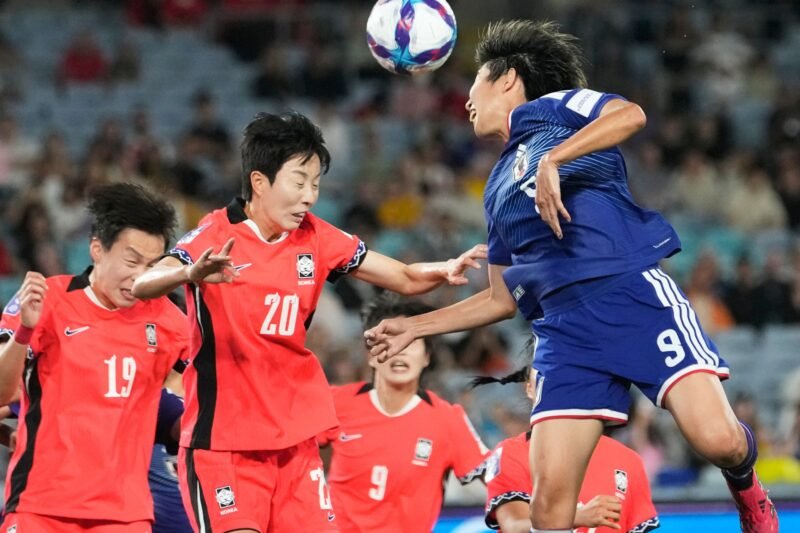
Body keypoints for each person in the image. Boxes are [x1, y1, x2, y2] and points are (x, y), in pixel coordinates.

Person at [364, 20, 778, 533]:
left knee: (721, 442)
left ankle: (749, 490)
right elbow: (498, 300)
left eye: (474, 82)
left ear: (508, 78)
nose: (465, 100)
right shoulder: (495, 189)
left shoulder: (557, 109)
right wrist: (415, 326)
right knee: (549, 512)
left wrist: (555, 159)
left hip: (630, 296)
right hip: (563, 333)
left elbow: (631, 115)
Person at [131, 111, 487, 533]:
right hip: (224, 445)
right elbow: (143, 283)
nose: (309, 196)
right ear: (260, 182)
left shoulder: (316, 236)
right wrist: (187, 275)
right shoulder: (214, 233)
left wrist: (443, 268)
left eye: (315, 184)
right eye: (299, 181)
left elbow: (404, 277)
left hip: (295, 445)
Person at [0, 182, 188, 531]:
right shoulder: (48, 301)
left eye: (152, 265)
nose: (140, 276)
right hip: (41, 509)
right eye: (132, 260)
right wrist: (25, 331)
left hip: (124, 517)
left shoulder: (169, 321)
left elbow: (219, 388)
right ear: (97, 249)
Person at [319, 293, 488, 532]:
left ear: (427, 357)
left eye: (411, 342)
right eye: (390, 341)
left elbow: (496, 480)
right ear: (371, 355)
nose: (400, 351)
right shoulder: (335, 402)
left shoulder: (447, 418)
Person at [472, 364, 659, 533]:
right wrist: (576, 518)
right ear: (529, 387)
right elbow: (513, 526)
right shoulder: (511, 453)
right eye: (548, 377)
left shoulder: (628, 460)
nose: (560, 388)